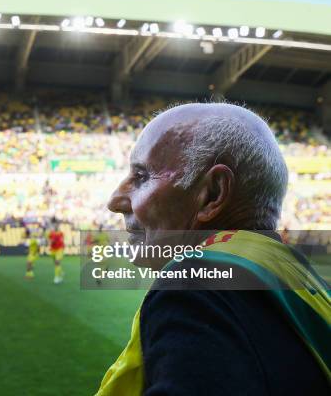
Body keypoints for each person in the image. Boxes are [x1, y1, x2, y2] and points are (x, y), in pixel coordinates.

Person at [97, 103, 330, 395]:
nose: (116, 200)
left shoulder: (197, 289)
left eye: (141, 177)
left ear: (213, 194)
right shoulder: (303, 278)